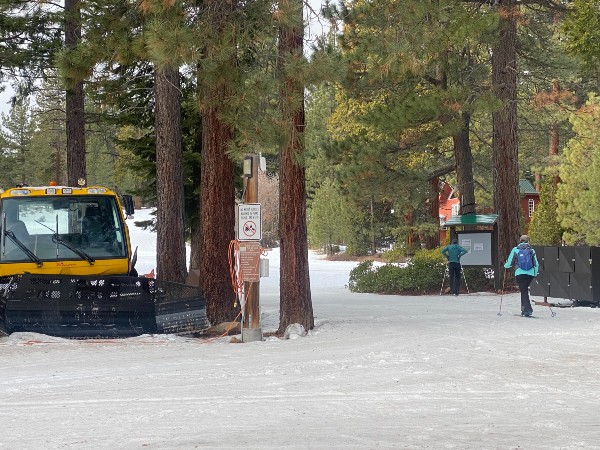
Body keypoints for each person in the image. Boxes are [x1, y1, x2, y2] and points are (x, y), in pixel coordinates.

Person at [504, 235, 539, 317]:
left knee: (524, 291)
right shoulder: (532, 250)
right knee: (524, 290)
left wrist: (505, 266)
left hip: (519, 273)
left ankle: (527, 310)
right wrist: (535, 273)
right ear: (528, 241)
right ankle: (525, 309)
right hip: (530, 274)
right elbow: (536, 264)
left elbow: (509, 263)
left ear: (520, 240)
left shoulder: (515, 250)